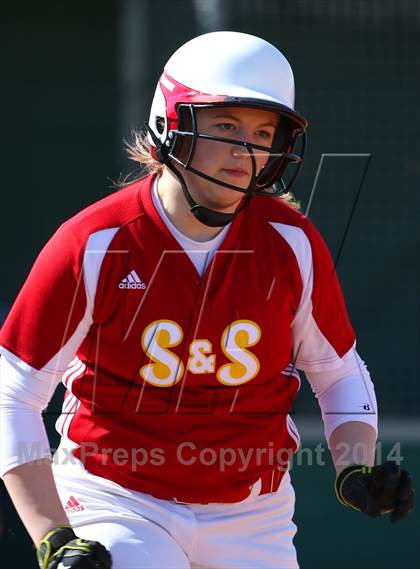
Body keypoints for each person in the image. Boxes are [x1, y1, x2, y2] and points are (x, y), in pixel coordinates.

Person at [0, 31, 415, 569]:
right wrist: (52, 535)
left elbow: (338, 373)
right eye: (226, 125)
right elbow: (14, 395)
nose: (248, 150)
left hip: (254, 513)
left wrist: (354, 467)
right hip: (116, 498)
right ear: (169, 124)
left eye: (264, 132)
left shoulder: (291, 242)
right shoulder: (95, 242)